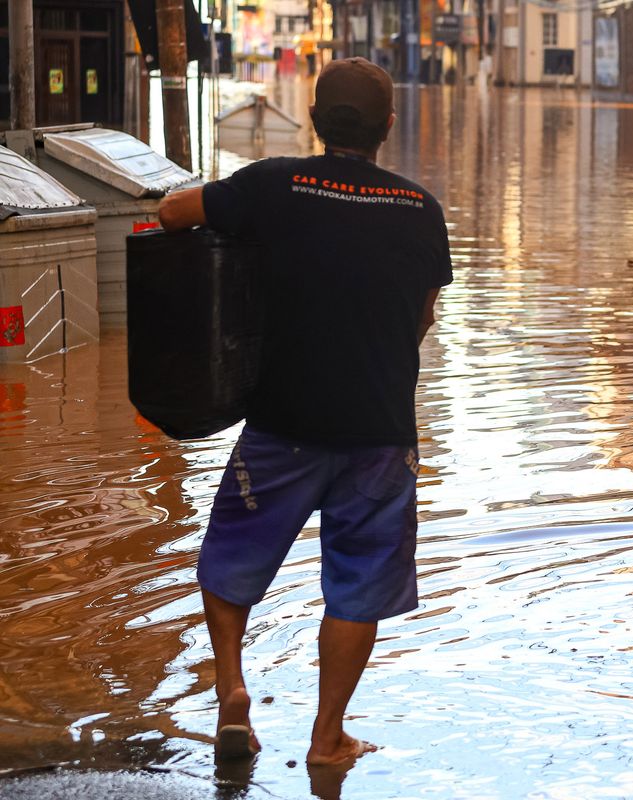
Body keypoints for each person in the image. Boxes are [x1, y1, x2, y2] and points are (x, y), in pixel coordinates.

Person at [157, 57, 452, 766]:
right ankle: (327, 739)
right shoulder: (420, 210)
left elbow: (171, 214)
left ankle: (232, 691)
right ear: (388, 126)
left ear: (315, 120)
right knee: (357, 587)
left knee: (230, 560)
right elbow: (421, 318)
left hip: (282, 423)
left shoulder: (273, 184)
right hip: (379, 433)